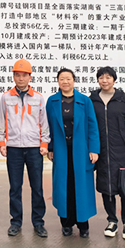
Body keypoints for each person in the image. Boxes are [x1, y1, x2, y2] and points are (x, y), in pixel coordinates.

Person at [0, 59, 50, 238]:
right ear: (13, 76)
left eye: (24, 75)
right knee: (15, 187)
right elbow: (1, 121)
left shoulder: (38, 98)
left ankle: (38, 222)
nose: (21, 78)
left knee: (37, 187)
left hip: (34, 149)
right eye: (17, 75)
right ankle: (16, 222)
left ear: (30, 77)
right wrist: (2, 143)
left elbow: (44, 123)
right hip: (14, 149)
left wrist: (44, 144)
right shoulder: (6, 97)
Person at [46, 68, 100, 238]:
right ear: (58, 81)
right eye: (62, 79)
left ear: (74, 81)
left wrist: (94, 149)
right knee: (64, 187)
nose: (65, 82)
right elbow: (48, 127)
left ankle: (83, 225)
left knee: (81, 187)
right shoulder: (52, 101)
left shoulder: (84, 101)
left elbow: (92, 126)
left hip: (81, 151)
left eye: (68, 78)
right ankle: (66, 223)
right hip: (61, 151)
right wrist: (50, 148)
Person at [90, 66, 125, 240]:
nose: (104, 81)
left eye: (108, 77)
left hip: (122, 150)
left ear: (114, 79)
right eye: (101, 77)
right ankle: (112, 221)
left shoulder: (123, 99)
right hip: (102, 151)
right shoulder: (92, 100)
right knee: (107, 188)